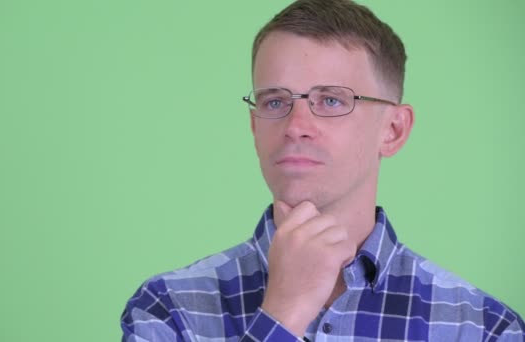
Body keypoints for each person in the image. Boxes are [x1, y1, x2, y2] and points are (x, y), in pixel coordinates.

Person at [120, 0, 525, 340]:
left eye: (331, 100)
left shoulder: (482, 328)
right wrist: (282, 313)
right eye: (275, 101)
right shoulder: (168, 309)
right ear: (254, 125)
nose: (295, 127)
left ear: (394, 129)